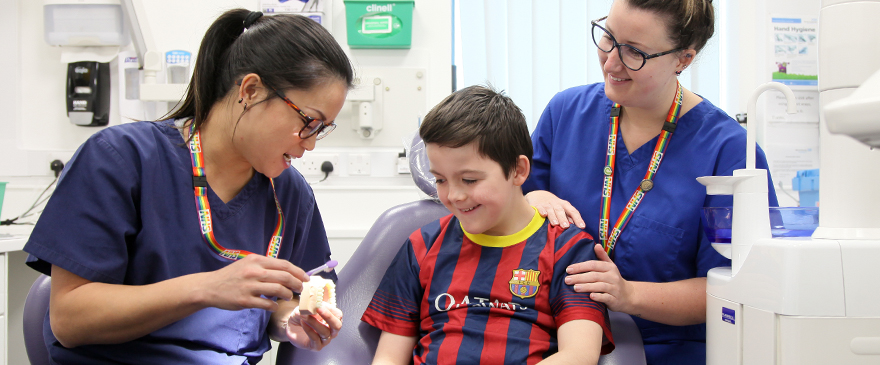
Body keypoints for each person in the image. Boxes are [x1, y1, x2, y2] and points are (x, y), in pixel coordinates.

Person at [23, 9, 353, 364]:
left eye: (323, 129)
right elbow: (70, 320)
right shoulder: (121, 159)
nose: (311, 144)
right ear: (251, 90)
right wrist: (207, 288)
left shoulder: (289, 194)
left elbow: (286, 300)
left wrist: (291, 320)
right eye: (309, 122)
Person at [523, 1, 778, 364]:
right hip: (553, 341)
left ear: (683, 60)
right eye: (608, 38)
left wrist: (628, 295)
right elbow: (512, 204)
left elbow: (738, 287)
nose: (611, 62)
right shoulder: (566, 114)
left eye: (635, 53)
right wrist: (533, 195)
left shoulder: (730, 153)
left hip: (665, 351)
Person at [361, 86, 615, 365]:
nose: (454, 196)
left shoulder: (568, 250)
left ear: (518, 171)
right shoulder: (422, 246)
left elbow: (579, 355)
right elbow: (388, 357)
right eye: (441, 180)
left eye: (469, 180)